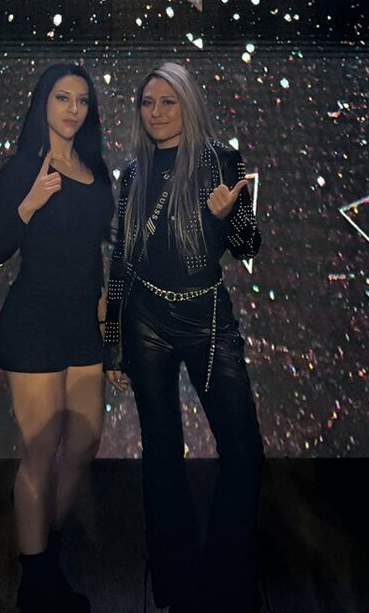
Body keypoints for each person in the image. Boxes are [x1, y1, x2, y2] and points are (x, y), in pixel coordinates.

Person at [104, 62, 262, 613]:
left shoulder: (221, 160)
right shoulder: (133, 173)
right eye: (148, 103)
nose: (156, 113)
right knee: (162, 453)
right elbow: (121, 261)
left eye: (167, 102)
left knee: (244, 451)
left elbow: (247, 246)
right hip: (145, 320)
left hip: (208, 318)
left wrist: (226, 217)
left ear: (188, 103)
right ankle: (174, 579)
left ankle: (225, 574)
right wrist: (113, 342)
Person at [0, 63, 114, 612]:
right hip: (33, 321)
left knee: (83, 444)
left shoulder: (96, 169)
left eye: (82, 100)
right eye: (62, 98)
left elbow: (96, 251)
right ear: (43, 103)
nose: (73, 109)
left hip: (83, 323)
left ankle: (45, 552)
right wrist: (29, 203)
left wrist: (107, 321)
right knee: (40, 450)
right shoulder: (21, 169)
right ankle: (37, 582)